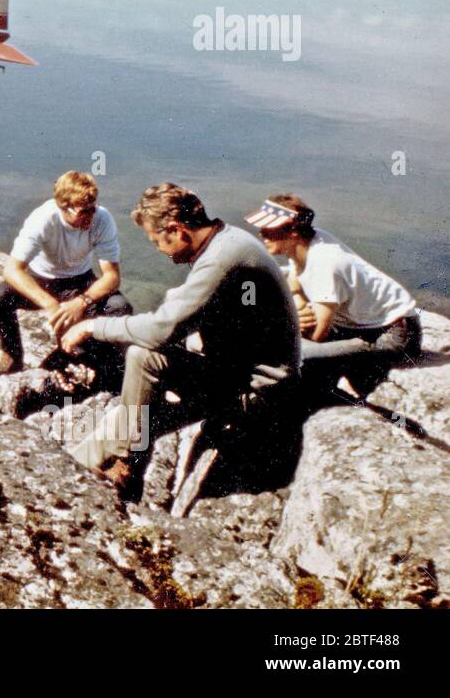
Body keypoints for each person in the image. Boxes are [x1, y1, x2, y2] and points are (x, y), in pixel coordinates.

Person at [59, 183, 300, 494]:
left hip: (257, 390)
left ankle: (116, 466)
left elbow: (162, 328)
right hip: (235, 373)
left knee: (141, 377)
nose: (159, 249)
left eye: (157, 240)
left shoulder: (222, 257)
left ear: (176, 229)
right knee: (137, 408)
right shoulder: (226, 242)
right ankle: (79, 470)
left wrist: (94, 327)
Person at [249, 194, 421, 396]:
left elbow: (320, 333)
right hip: (358, 326)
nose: (261, 233)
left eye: (269, 230)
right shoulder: (306, 243)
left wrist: (298, 330)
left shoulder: (325, 262)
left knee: (298, 354)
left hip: (391, 335)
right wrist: (300, 311)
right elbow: (295, 286)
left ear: (293, 232)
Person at [0, 171, 132, 378]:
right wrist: (50, 305)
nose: (90, 216)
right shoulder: (43, 219)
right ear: (63, 206)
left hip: (80, 281)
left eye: (93, 208)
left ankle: (110, 366)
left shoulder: (102, 219)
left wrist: (81, 302)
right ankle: (12, 357)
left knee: (119, 306)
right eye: (83, 211)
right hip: (43, 279)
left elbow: (112, 277)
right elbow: (12, 269)